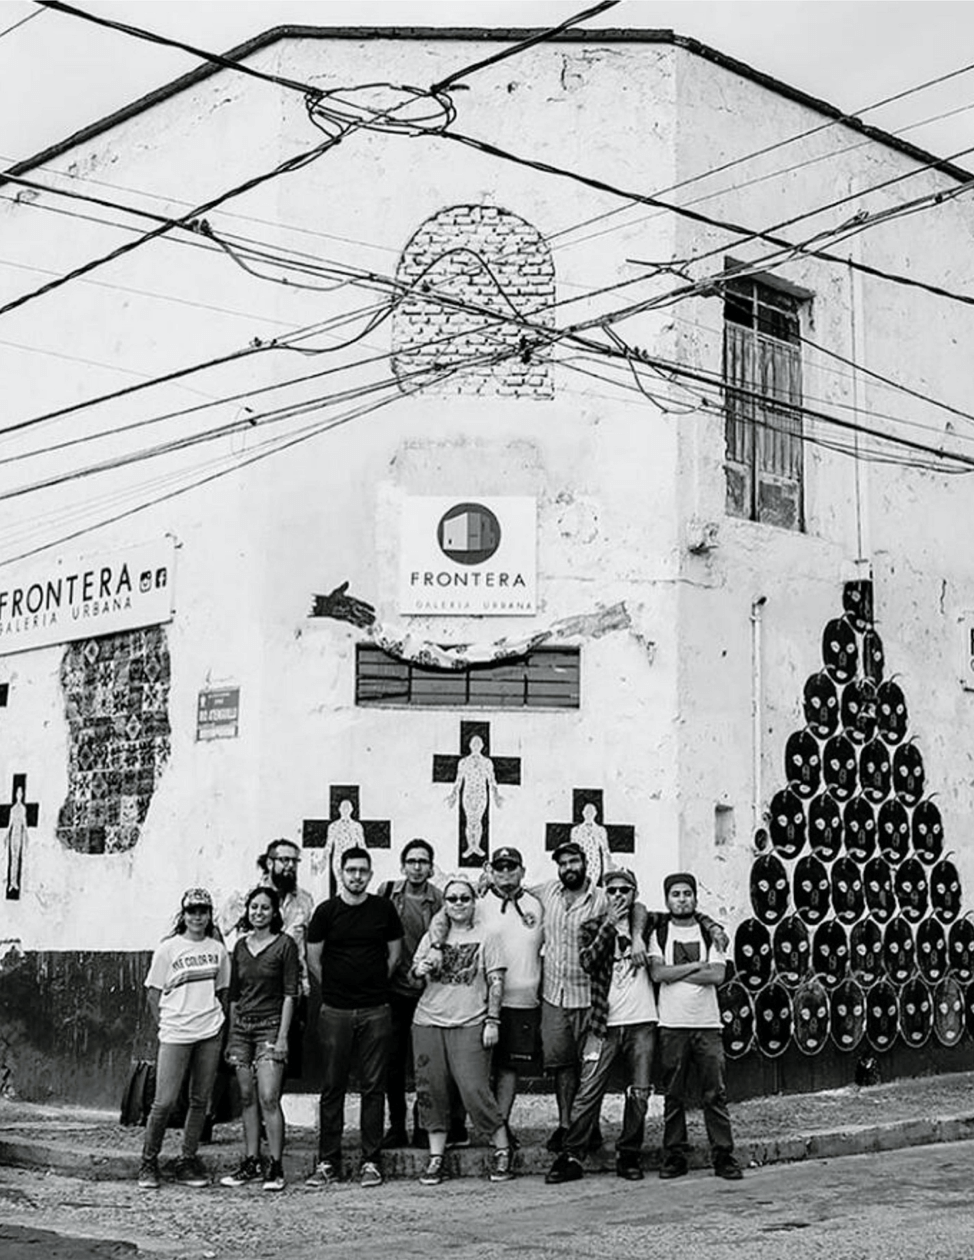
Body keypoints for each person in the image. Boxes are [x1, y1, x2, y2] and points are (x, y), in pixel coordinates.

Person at [544, 868, 656, 1184]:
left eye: (625, 890)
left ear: (635, 893)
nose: (618, 895)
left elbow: (683, 914)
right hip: (603, 1022)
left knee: (640, 1092)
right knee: (588, 1089)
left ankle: (629, 1154)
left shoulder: (647, 925)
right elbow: (589, 963)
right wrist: (609, 925)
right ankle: (572, 1155)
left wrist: (636, 937)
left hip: (642, 1022)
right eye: (612, 890)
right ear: (604, 894)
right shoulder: (591, 926)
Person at [305, 846, 403, 1189]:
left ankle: (371, 1161)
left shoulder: (383, 909)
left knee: (373, 1088)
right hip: (335, 1011)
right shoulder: (326, 912)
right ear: (341, 873)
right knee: (332, 1087)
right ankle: (327, 1161)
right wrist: (336, 989)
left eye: (363, 870)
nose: (357, 876)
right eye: (351, 871)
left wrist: (373, 985)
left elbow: (394, 955)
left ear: (370, 874)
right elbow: (313, 959)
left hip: (376, 1009)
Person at [410, 874, 513, 1186]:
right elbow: (414, 978)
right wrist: (420, 969)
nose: (458, 904)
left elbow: (497, 981)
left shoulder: (488, 936)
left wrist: (492, 1021)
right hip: (428, 1021)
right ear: (445, 903)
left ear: (473, 902)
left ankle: (502, 1149)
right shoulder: (432, 937)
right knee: (432, 1090)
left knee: (474, 1088)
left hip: (470, 1021)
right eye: (452, 898)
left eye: (464, 898)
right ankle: (436, 1156)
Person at [649, 872, 743, 1181]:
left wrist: (675, 972)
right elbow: (657, 974)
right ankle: (675, 1155)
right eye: (675, 894)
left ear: (695, 897)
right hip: (672, 1025)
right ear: (667, 900)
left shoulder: (709, 934)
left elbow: (717, 975)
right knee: (673, 1094)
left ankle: (724, 1155)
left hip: (707, 1025)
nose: (681, 899)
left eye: (687, 893)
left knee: (714, 1093)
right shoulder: (660, 933)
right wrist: (693, 966)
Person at [378, 837, 468, 1150]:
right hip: (393, 989)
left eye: (423, 861)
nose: (417, 867)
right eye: (412, 861)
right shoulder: (387, 893)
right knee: (392, 1060)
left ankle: (425, 1124)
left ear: (431, 866)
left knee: (428, 1064)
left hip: (430, 992)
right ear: (403, 865)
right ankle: (396, 1125)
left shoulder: (444, 900)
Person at [138, 888, 230, 1191]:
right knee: (163, 1102)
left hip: (208, 1033)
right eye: (192, 911)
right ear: (184, 914)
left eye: (203, 911)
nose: (197, 916)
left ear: (209, 914)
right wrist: (166, 1023)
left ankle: (187, 1159)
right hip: (176, 1033)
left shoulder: (218, 950)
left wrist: (217, 1025)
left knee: (200, 1101)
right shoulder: (168, 949)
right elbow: (153, 992)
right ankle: (148, 1161)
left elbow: (222, 992)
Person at [220, 884, 299, 1192]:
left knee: (268, 1095)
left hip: (270, 1027)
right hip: (242, 1029)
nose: (258, 912)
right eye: (254, 907)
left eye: (265, 907)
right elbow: (234, 996)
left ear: (274, 912)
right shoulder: (240, 946)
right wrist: (231, 1036)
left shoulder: (285, 945)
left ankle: (275, 1166)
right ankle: (251, 1160)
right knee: (246, 1097)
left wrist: (283, 1038)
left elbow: (290, 995)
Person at [473, 847, 544, 1133]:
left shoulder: (538, 904)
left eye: (511, 867)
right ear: (490, 871)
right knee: (476, 1067)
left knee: (508, 1068)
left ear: (522, 871)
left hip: (522, 1001)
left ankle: (500, 1129)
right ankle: (473, 1124)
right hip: (480, 1001)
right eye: (499, 868)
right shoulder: (477, 904)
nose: (505, 873)